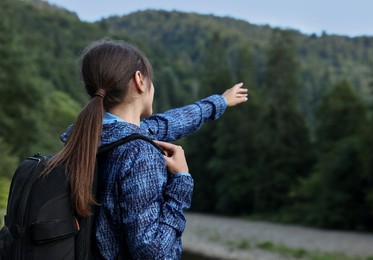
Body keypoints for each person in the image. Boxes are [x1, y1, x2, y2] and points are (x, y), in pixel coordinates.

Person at [47, 38, 248, 259]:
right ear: (139, 80)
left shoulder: (86, 138)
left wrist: (220, 101)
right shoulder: (139, 153)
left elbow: (171, 122)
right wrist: (181, 180)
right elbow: (152, 252)